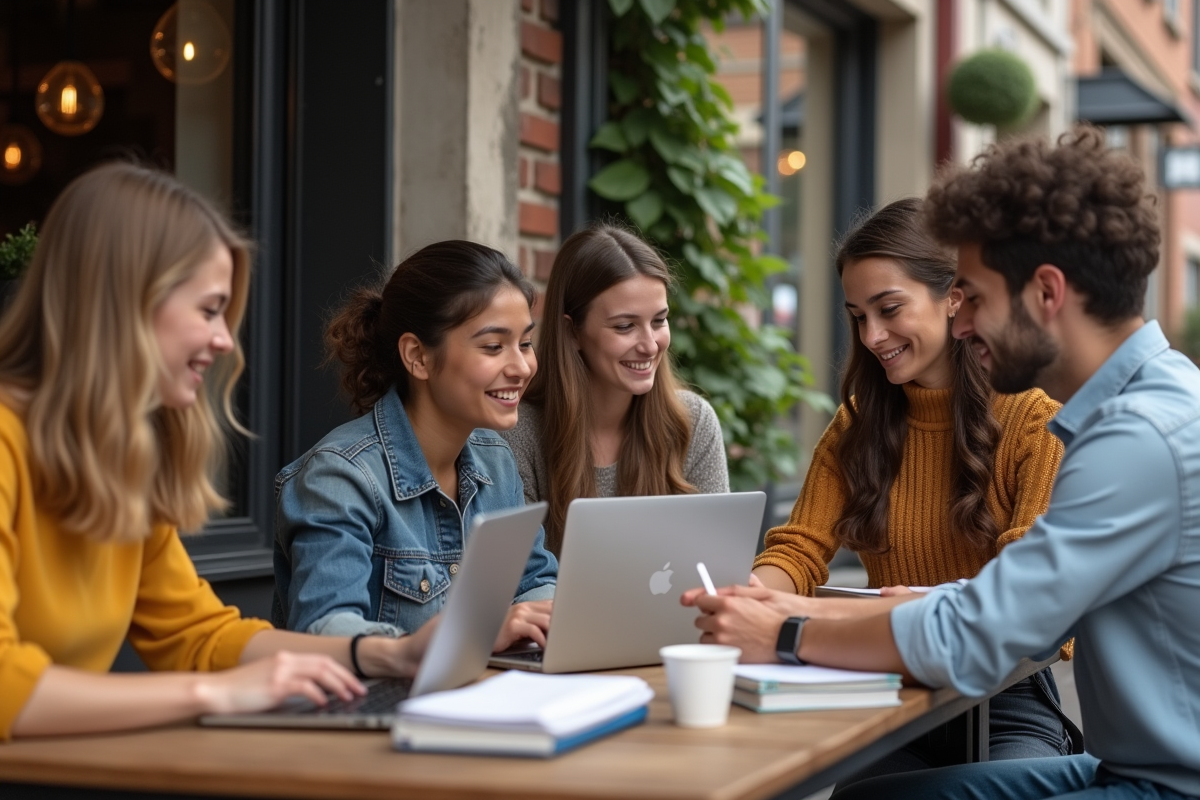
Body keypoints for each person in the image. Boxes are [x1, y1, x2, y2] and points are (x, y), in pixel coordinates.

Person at [685, 127, 1200, 800]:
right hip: (1136, 767)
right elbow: (997, 597)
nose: (962, 325)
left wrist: (786, 632)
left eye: (975, 298)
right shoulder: (1146, 406)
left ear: (1046, 293)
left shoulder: (1134, 440)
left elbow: (977, 634)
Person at [0, 162, 437, 741]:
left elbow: (198, 634)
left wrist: (389, 655)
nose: (225, 341)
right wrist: (218, 692)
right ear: (124, 301)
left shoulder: (120, 459)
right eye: (208, 310)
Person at [751, 197, 1077, 777]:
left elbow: (1032, 594)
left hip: (1006, 702)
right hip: (888, 700)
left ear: (953, 296)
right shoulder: (856, 425)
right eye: (858, 316)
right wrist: (754, 594)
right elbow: (798, 550)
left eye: (889, 308)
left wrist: (912, 613)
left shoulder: (1034, 423)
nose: (873, 335)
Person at [273, 240, 557, 648]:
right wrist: (473, 635)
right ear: (417, 356)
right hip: (373, 709)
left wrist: (547, 613)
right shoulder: (338, 477)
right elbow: (324, 632)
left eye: (525, 343)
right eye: (494, 347)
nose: (521, 367)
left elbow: (535, 579)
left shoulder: (496, 461)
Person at [502, 224, 729, 556]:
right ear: (572, 332)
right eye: (625, 326)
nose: (650, 345)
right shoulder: (518, 433)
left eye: (659, 320)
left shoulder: (692, 422)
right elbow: (521, 577)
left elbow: (716, 562)